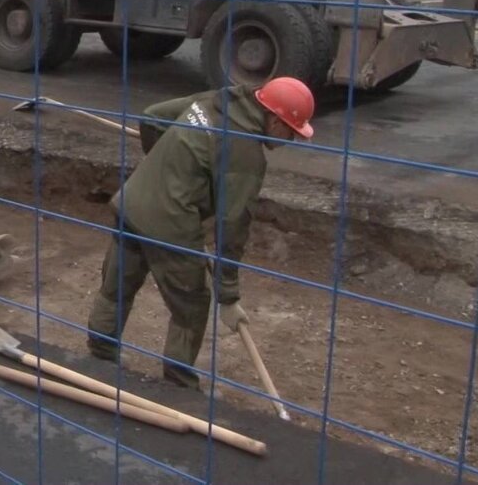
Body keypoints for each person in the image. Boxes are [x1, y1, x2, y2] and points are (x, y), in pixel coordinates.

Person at [86, 77, 315, 391]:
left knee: (119, 284)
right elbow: (233, 225)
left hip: (133, 201)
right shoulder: (246, 152)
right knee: (191, 305)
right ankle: (179, 383)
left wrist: (169, 169)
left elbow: (152, 117)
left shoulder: (217, 101)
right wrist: (228, 296)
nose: (290, 139)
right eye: (291, 130)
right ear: (275, 119)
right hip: (171, 223)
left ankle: (100, 352)